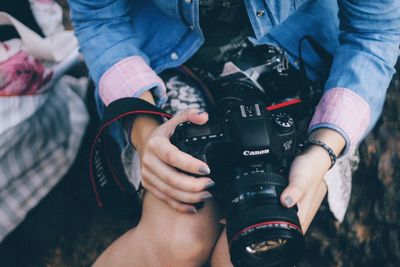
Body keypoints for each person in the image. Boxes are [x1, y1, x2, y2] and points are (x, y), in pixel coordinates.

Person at [68, 0, 400, 266]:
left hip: (292, 61)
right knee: (176, 243)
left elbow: (375, 33)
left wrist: (321, 150)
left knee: (256, 247)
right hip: (161, 63)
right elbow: (99, 18)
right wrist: (144, 131)